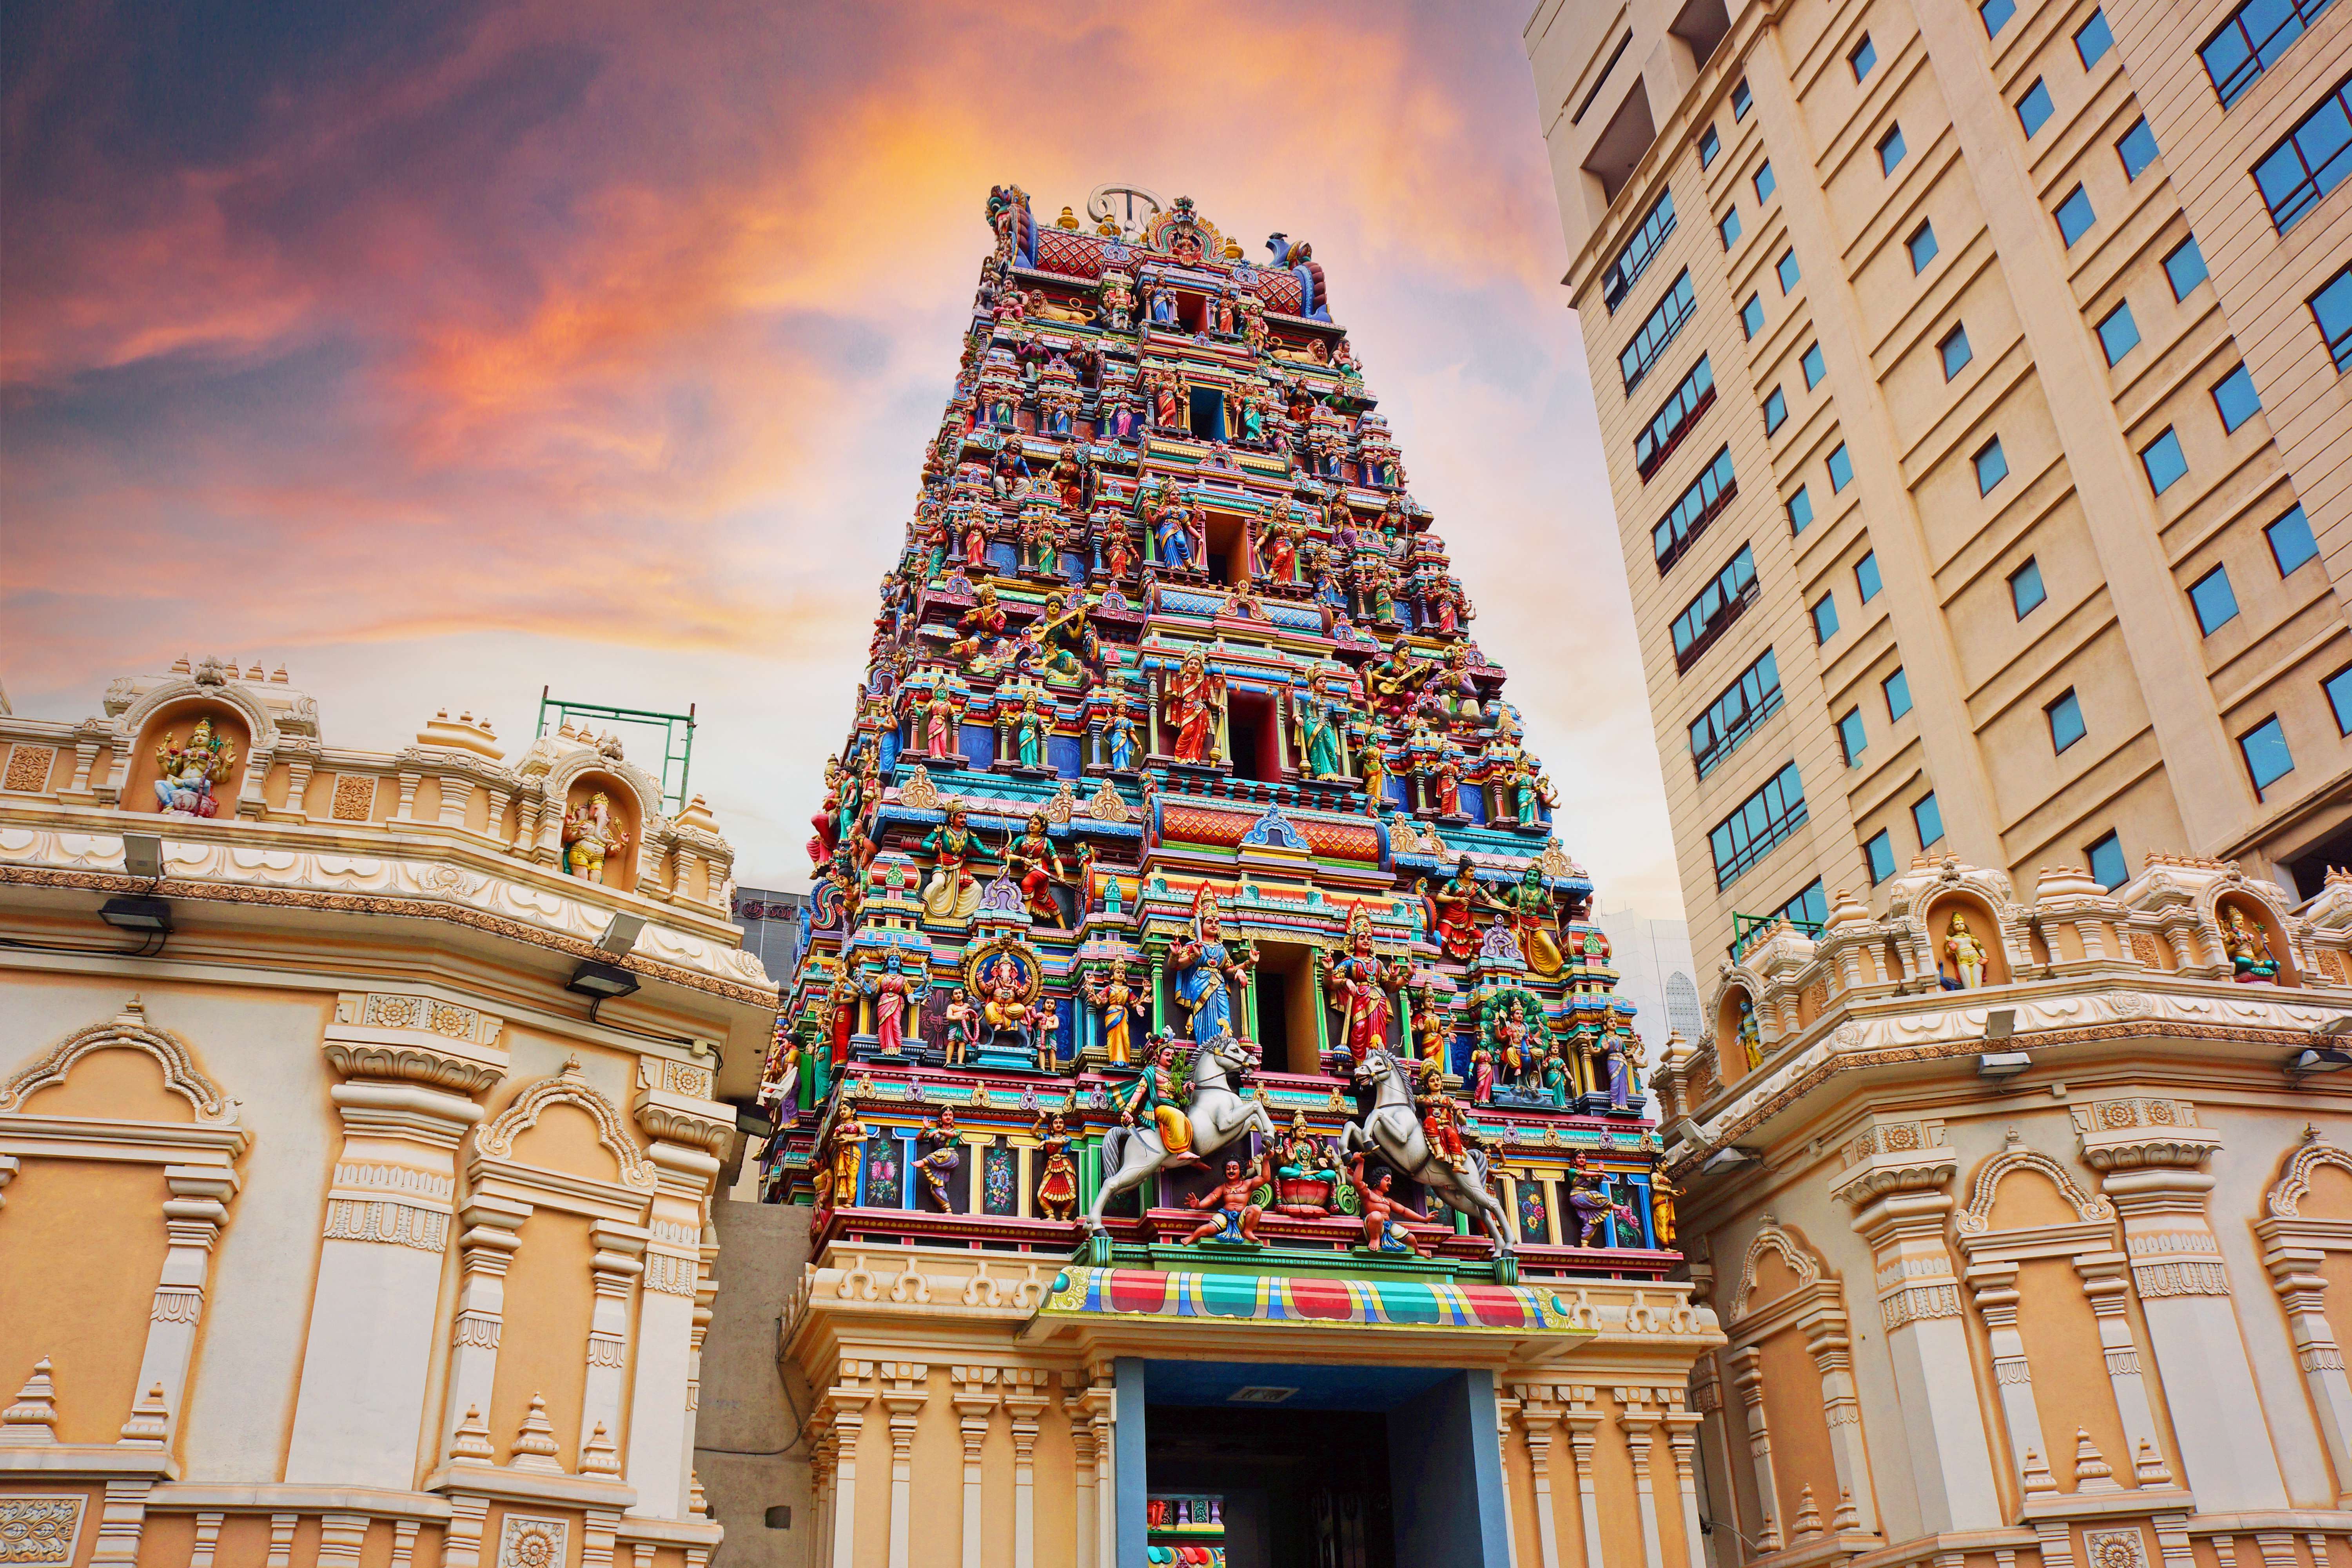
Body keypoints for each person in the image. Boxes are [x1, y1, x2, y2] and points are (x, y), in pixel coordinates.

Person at [1121, 1033, 1201, 1168]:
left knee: (1186, 1119)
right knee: (1177, 1115)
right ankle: (1181, 1151)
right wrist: (1128, 1111)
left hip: (1172, 1106)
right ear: (1158, 1057)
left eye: (1172, 1055)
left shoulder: (1174, 1075)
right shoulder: (1152, 1072)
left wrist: (1186, 1088)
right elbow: (1140, 1091)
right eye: (1167, 1055)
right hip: (1159, 1108)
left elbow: (1177, 1095)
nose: (1171, 1058)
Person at [1182, 1149, 1274, 1245]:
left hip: (1242, 1217)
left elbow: (1265, 1178)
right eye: (1228, 1169)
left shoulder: (1248, 1184)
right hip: (1225, 1216)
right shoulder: (1222, 1188)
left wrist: (1266, 1160)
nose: (1231, 1171)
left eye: (1234, 1168)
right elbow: (1211, 1198)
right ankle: (1192, 1237)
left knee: (1256, 1209)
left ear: (1241, 1170)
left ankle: (1247, 1231)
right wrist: (1199, 1205)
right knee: (1209, 1228)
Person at [1345, 1153, 1425, 1255]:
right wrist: (1361, 1163)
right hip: (1374, 1226)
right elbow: (1357, 1182)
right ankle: (1375, 1239)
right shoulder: (1368, 1194)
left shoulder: (1388, 1201)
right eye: (1387, 1180)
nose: (1390, 1183)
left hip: (1388, 1227)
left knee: (1412, 1238)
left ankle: (1418, 1251)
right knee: (1376, 1216)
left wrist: (1424, 1219)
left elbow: (1404, 1211)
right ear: (1378, 1180)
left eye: (1390, 1181)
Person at [1035, 1111, 1079, 1220]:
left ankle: (1065, 1217)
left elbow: (1062, 1142)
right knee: (1042, 1193)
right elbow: (1033, 1132)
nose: (1059, 1124)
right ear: (1051, 1126)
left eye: (1061, 1122)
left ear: (1064, 1126)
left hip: (1065, 1166)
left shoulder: (1067, 1138)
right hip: (1051, 1167)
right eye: (1056, 1123)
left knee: (1071, 1192)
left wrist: (1045, 1143)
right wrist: (1041, 1119)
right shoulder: (1047, 1137)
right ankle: (1051, 1216)